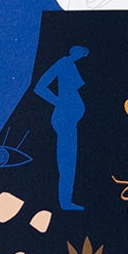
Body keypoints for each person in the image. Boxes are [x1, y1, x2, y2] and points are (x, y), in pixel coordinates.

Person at [32, 45, 89, 210]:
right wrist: (58, 102)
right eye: (82, 53)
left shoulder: (69, 64)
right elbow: (40, 87)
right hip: (65, 118)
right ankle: (65, 202)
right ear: (75, 51)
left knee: (70, 159)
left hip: (69, 118)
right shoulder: (64, 63)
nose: (82, 57)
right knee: (67, 160)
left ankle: (66, 201)